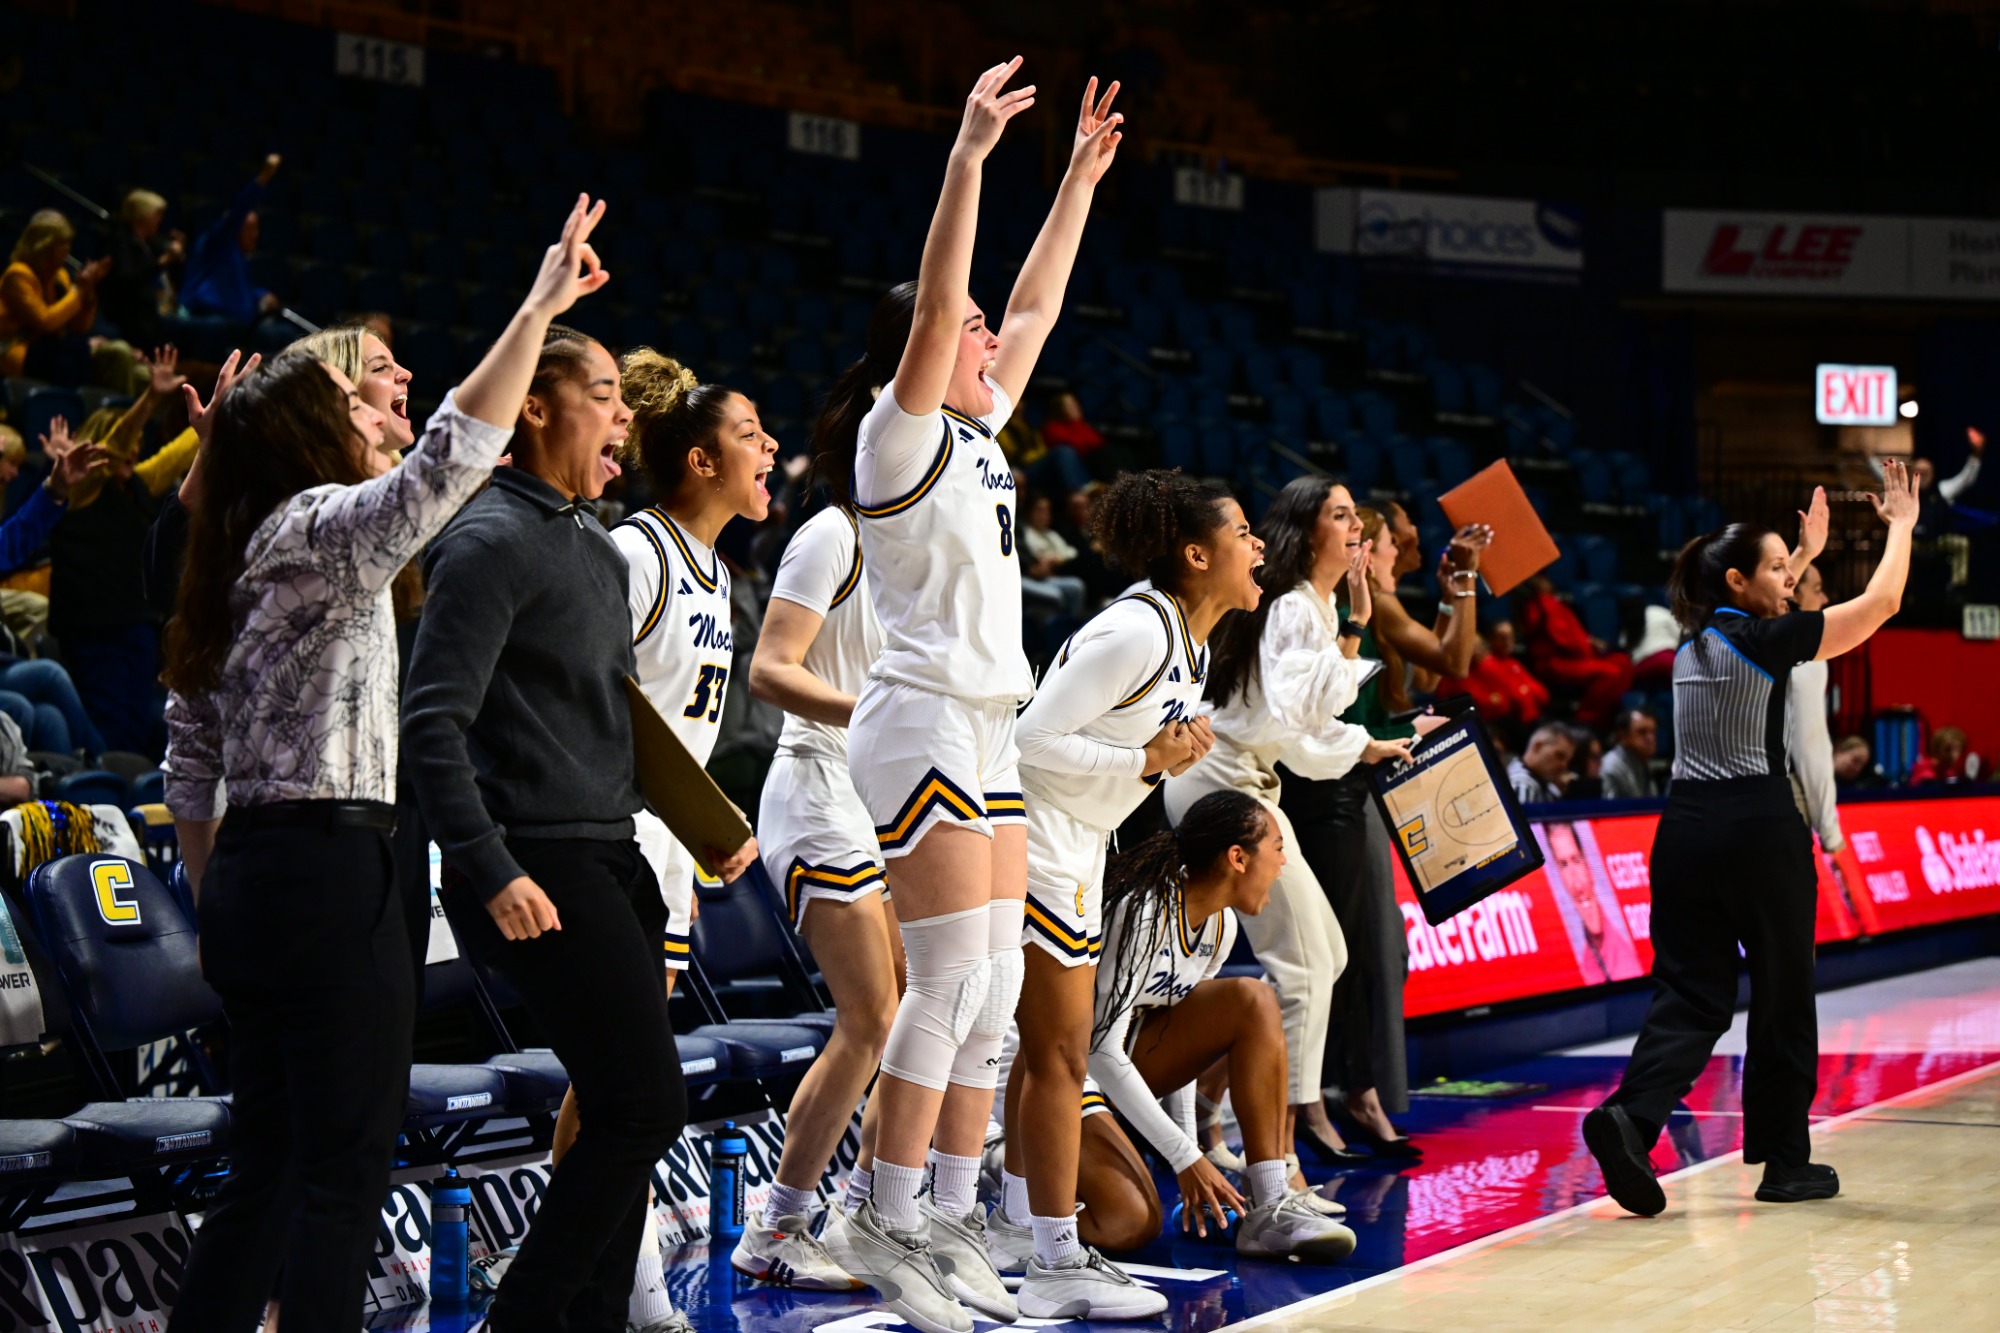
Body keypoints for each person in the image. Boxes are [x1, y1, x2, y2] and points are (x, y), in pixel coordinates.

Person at [162, 197, 606, 1332]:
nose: (391, 397)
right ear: (313, 422)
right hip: (332, 862)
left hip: (257, 875)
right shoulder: (318, 526)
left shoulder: (246, 545)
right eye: (363, 388)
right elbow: (453, 459)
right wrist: (537, 306)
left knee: (265, 1163)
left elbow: (190, 757)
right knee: (342, 1170)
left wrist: (219, 891)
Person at [807, 61, 1124, 1333]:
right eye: (972, 333)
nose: (995, 336)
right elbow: (951, 296)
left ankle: (940, 1210)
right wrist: (968, 157)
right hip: (919, 717)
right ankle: (877, 1218)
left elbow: (1035, 296)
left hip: (980, 722)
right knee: (943, 985)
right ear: (925, 354)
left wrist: (1076, 183)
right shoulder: (902, 434)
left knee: (990, 993)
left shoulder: (982, 439)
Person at [404, 198, 697, 1333]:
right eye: (605, 394)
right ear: (534, 408)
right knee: (640, 1104)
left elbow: (610, 715)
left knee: (630, 1104)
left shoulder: (590, 538)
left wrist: (702, 821)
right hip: (532, 865)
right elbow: (430, 725)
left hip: (609, 854)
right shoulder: (483, 540)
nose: (626, 413)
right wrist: (487, 866)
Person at [1585, 462, 1919, 1218]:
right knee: (1782, 994)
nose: (1791, 581)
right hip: (1759, 831)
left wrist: (1801, 554)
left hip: (1681, 832)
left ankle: (1631, 1119)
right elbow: (1883, 603)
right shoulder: (1770, 643)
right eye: (1777, 570)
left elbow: (1753, 601)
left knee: (1690, 993)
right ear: (1738, 580)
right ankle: (1785, 1160)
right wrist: (1901, 523)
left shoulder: (1688, 643)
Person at [993, 469, 1262, 1317]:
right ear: (1195, 553)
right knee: (1060, 1056)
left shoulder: (1191, 639)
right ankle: (1049, 1255)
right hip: (1036, 841)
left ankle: (1013, 1226)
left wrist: (1166, 754)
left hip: (1077, 848)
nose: (1257, 545)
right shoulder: (1137, 630)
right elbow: (1030, 739)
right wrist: (1147, 761)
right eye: (1243, 532)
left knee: (1047, 1053)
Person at [582, 348, 770, 1324]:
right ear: (697, 460)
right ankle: (621, 1284)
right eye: (747, 433)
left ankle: (602, 1278)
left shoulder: (713, 571)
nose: (769, 446)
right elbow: (587, 700)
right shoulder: (639, 552)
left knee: (626, 1076)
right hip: (608, 841)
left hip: (663, 853)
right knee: (620, 1078)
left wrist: (695, 839)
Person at [1170, 475, 1414, 1174]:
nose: (1357, 528)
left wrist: (1361, 744)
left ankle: (1218, 1095)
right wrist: (1356, 637)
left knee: (1326, 957)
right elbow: (1292, 705)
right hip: (1223, 784)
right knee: (1306, 967)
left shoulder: (1313, 604)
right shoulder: (1292, 606)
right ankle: (1281, 1151)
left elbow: (1300, 729)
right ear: (1310, 531)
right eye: (1342, 515)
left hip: (1247, 781)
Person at [1283, 505, 1478, 1161]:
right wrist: (1460, 586)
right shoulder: (1331, 606)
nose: (1401, 547)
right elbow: (1452, 660)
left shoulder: (1366, 601)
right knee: (1340, 952)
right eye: (1392, 537)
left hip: (1361, 771)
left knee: (1368, 950)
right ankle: (1328, 1098)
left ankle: (1353, 1090)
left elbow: (1419, 680)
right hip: (1332, 780)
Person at [1089, 789, 1358, 1262]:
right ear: (1237, 857)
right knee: (1132, 1224)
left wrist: (1196, 1149)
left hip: (1127, 1077)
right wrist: (1183, 1157)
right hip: (1067, 1078)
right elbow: (1099, 1051)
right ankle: (1007, 1179)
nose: (1283, 861)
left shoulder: (1219, 927)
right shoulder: (1143, 911)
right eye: (1277, 846)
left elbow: (1180, 1045)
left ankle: (1270, 1203)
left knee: (1254, 1000)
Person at [737, 498, 896, 1292]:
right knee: (870, 1015)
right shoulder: (838, 532)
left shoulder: (928, 544)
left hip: (883, 792)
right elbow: (769, 668)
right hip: (818, 782)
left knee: (922, 1012)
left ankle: (863, 1211)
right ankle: (776, 1226)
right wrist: (874, 714)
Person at [48, 349, 198, 756]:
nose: (134, 449)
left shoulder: (136, 484)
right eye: (126, 441)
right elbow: (114, 447)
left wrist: (223, 408)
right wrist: (149, 399)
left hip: (137, 623)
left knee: (142, 727)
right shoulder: (80, 487)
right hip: (94, 626)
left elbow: (180, 452)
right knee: (111, 729)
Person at [0, 209, 108, 385]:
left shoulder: (60, 275)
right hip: (16, 348)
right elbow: (46, 321)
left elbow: (80, 327)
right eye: (61, 243)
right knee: (67, 359)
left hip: (47, 347)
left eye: (68, 242)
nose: (67, 249)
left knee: (78, 349)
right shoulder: (18, 275)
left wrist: (88, 294)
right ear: (43, 245)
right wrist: (78, 291)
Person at [181, 154, 285, 332]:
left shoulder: (237, 257)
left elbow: (240, 289)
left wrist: (261, 295)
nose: (256, 235)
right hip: (206, 319)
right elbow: (238, 210)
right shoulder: (217, 242)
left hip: (233, 324)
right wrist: (264, 177)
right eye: (250, 229)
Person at [1518, 575, 1634, 729]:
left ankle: (1610, 713)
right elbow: (1564, 640)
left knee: (1623, 661)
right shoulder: (1544, 604)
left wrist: (1588, 640)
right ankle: (1588, 719)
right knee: (1610, 673)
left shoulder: (1551, 603)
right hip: (1557, 662)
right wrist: (1586, 644)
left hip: (1572, 657)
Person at [103, 189, 184, 351]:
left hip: (152, 311)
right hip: (128, 314)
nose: (160, 220)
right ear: (142, 215)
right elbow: (129, 280)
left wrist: (176, 256)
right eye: (156, 214)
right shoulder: (122, 243)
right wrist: (162, 262)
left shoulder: (148, 242)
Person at [1019, 491, 1089, 619]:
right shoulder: (1026, 533)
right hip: (1034, 578)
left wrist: (1057, 559)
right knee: (1075, 586)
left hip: (1052, 575)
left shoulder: (1050, 534)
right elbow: (1036, 560)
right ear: (1029, 512)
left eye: (1047, 510)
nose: (1044, 515)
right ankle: (1066, 625)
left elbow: (1071, 552)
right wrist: (1054, 559)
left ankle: (1068, 624)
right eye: (1039, 510)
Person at [1507, 722, 1574, 805]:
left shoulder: (1541, 781)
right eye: (1559, 756)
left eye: (1567, 760)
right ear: (1537, 746)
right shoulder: (1523, 786)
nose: (1564, 765)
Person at [1601, 708, 1660, 800]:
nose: (1650, 738)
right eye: (1642, 732)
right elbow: (1609, 810)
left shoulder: (1644, 763)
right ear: (1623, 736)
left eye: (1653, 732)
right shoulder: (1611, 766)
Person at [1908, 726, 1972, 786]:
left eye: (1957, 750)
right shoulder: (1923, 767)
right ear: (1936, 748)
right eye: (1948, 749)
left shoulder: (1950, 772)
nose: (1953, 755)